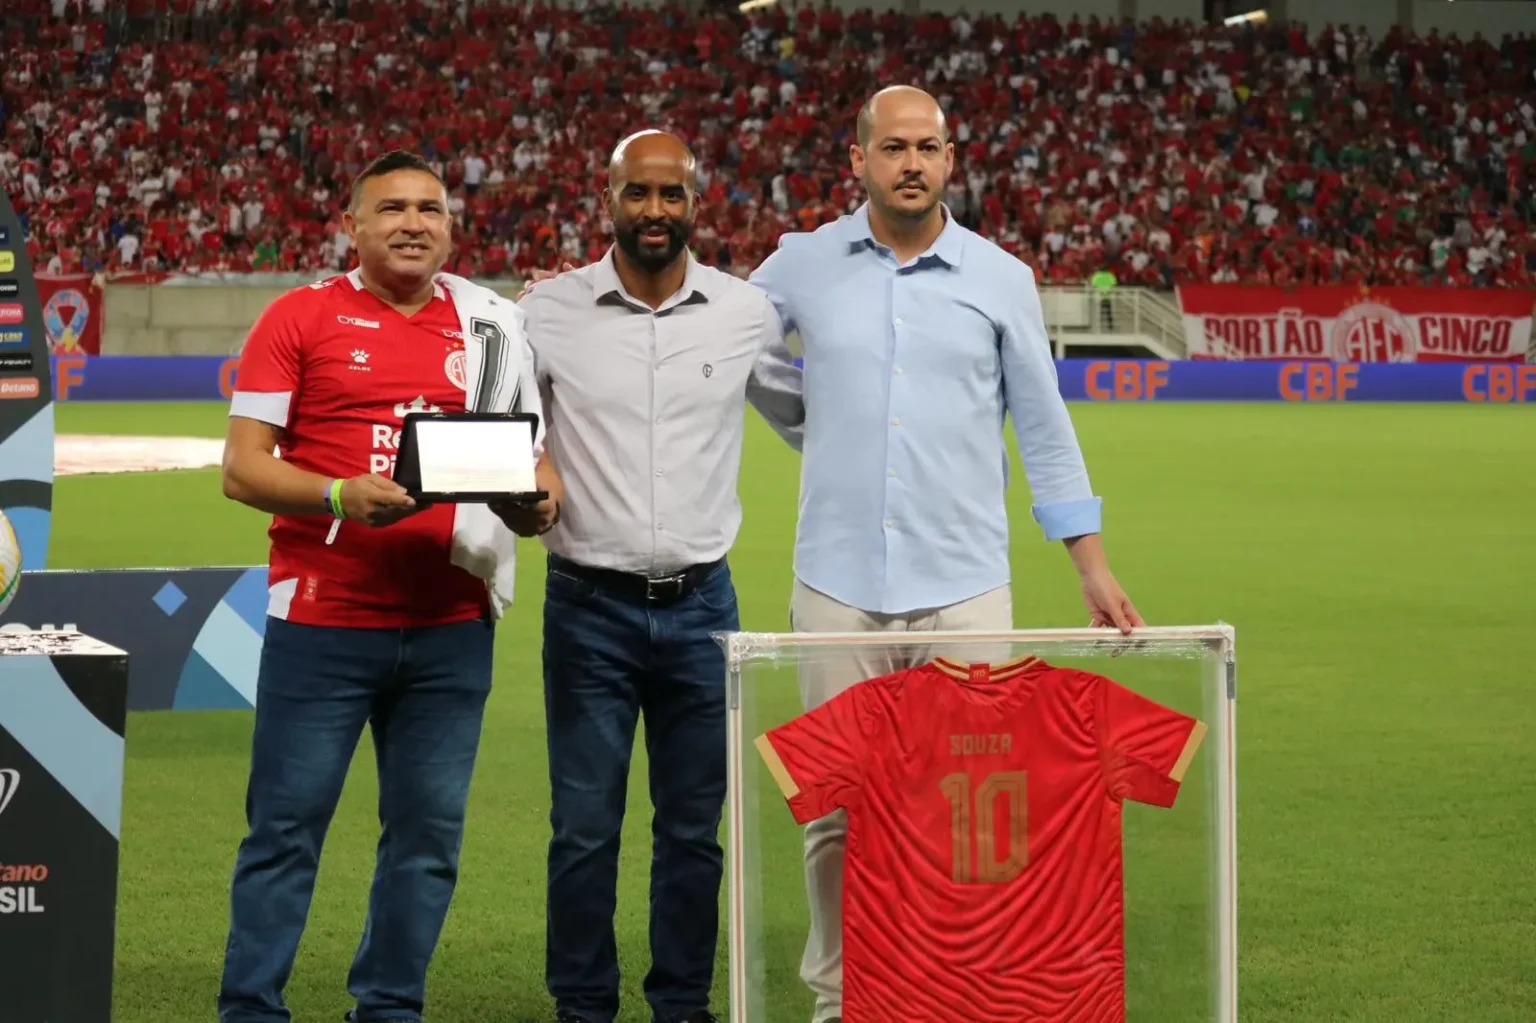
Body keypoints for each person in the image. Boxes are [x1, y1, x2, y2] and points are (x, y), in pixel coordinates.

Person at [746, 85, 1144, 1023]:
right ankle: (841, 999)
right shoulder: (800, 265)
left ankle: (949, 990)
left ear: (951, 159)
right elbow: (736, 354)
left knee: (963, 811)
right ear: (858, 161)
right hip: (835, 585)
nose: (912, 163)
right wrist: (817, 422)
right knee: (833, 811)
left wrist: (1090, 561)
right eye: (893, 148)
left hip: (966, 589)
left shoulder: (999, 276)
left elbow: (1044, 428)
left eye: (928, 147)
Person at [216, 150, 561, 1023]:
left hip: (450, 623)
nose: (414, 223)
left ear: (451, 225)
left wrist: (538, 502)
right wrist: (339, 494)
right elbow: (243, 469)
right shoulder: (298, 318)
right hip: (325, 620)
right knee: (285, 832)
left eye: (430, 209)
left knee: (428, 841)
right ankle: (251, 1009)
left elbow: (533, 466)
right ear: (354, 224)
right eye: (393, 208)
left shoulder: (489, 327)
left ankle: (389, 1007)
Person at [516, 129, 799, 1023]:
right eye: (638, 193)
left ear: (695, 203)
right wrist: (532, 473)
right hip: (587, 608)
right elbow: (511, 427)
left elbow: (808, 418)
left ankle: (681, 1003)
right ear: (608, 197)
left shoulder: (743, 311)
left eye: (670, 195)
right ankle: (584, 1005)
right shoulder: (544, 311)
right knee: (583, 831)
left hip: (703, 607)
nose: (654, 211)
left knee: (692, 833)